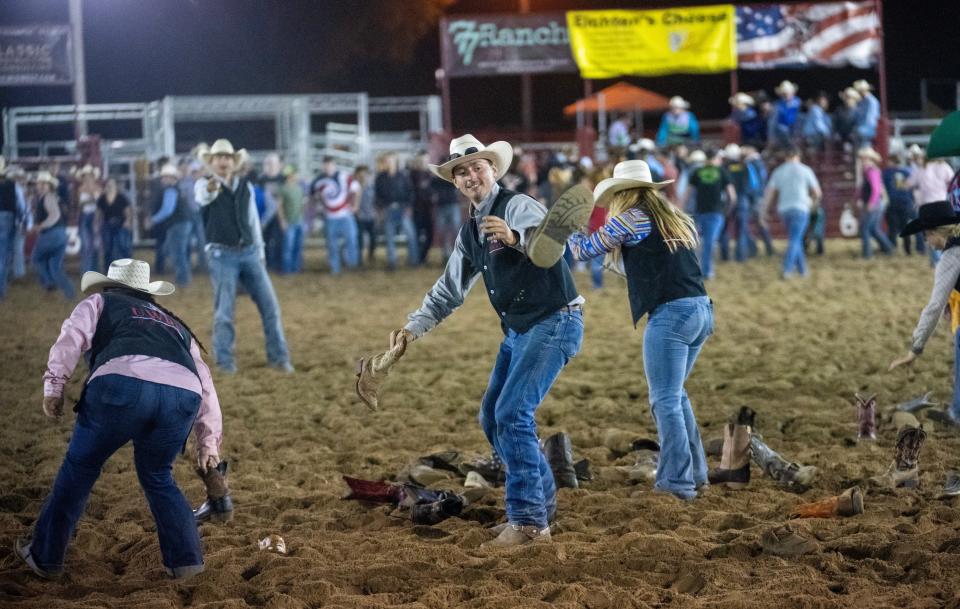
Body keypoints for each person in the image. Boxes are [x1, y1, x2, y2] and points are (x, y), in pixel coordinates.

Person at [394, 134, 584, 548]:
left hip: (554, 319)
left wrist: (517, 239)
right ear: (455, 182)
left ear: (493, 170)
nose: (470, 175)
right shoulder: (470, 233)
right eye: (461, 171)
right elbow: (448, 291)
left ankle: (530, 522)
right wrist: (412, 330)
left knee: (512, 413)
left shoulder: (518, 205)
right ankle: (540, 505)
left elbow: (557, 247)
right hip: (522, 329)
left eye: (476, 167)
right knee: (493, 417)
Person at [16, 258, 222, 581]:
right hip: (182, 396)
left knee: (80, 467)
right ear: (147, 292)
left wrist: (54, 386)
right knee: (158, 475)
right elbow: (206, 384)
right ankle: (186, 562)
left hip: (119, 385)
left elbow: (71, 337)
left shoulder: (100, 302)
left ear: (110, 285)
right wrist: (208, 443)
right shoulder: (177, 326)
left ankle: (45, 556)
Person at [568, 160, 711, 500]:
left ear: (622, 193)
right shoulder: (674, 218)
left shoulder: (632, 218)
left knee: (664, 399)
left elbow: (583, 250)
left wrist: (567, 228)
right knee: (675, 395)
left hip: (671, 315)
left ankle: (676, 484)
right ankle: (696, 473)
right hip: (701, 310)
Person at [194, 139, 293, 374]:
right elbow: (203, 196)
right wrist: (212, 187)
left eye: (227, 157)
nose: (223, 161)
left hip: (249, 252)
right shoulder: (204, 184)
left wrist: (260, 253)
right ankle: (225, 362)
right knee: (224, 312)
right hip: (221, 254)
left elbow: (252, 222)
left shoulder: (245, 187)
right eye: (219, 158)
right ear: (211, 162)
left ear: (233, 162)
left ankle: (279, 358)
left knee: (270, 307)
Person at [889, 202, 960, 429]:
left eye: (926, 237)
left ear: (934, 233)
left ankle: (957, 413)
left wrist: (915, 347)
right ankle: (956, 411)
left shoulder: (951, 258)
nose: (927, 243)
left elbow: (933, 307)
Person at [761, 148, 821, 279]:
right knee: (795, 239)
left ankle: (803, 270)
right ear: (798, 156)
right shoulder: (806, 170)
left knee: (795, 238)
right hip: (801, 208)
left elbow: (769, 193)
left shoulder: (779, 171)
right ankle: (787, 269)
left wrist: (764, 211)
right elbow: (817, 192)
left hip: (784, 209)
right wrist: (813, 204)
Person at [683, 149, 736, 280]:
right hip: (716, 212)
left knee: (698, 242)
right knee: (709, 242)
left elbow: (687, 193)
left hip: (699, 211)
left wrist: (682, 208)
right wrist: (728, 210)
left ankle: (695, 269)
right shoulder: (722, 171)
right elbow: (732, 195)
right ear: (716, 157)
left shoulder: (697, 172)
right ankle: (707, 271)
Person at [30, 171, 76, 299]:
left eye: (44, 183)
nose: (42, 185)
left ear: (49, 186)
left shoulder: (48, 197)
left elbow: (54, 215)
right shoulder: (54, 197)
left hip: (51, 234)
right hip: (60, 234)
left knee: (36, 259)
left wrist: (41, 225)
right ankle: (70, 293)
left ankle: (49, 284)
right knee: (55, 267)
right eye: (41, 183)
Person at [907, 147, 955, 266]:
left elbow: (909, 184)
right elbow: (953, 182)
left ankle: (936, 262)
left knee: (931, 235)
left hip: (926, 206)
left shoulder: (921, 169)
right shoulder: (944, 166)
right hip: (943, 204)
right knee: (944, 234)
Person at [312, 156, 360, 275]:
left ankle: (352, 264)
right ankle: (335, 268)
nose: (328, 167)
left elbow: (357, 189)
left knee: (352, 240)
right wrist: (319, 206)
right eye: (326, 165)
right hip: (330, 217)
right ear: (323, 166)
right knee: (332, 244)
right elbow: (313, 196)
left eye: (330, 164)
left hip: (345, 215)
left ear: (334, 165)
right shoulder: (318, 181)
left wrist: (355, 206)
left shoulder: (344, 176)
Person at [150, 164, 193, 286]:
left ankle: (183, 279)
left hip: (178, 224)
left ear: (171, 178)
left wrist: (154, 219)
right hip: (182, 223)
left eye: (165, 177)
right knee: (178, 251)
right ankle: (183, 278)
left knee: (177, 252)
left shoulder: (170, 190)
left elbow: (167, 210)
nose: (163, 180)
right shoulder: (176, 188)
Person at [375, 152, 418, 270]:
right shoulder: (380, 177)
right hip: (388, 209)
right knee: (389, 237)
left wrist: (409, 207)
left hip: (403, 208)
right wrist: (380, 208)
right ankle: (392, 262)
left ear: (395, 162)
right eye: (387, 160)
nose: (389, 163)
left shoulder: (403, 176)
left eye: (391, 160)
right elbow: (377, 195)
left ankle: (414, 261)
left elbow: (410, 192)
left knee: (411, 235)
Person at [0, 157, 28, 299]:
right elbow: (21, 204)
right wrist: (23, 220)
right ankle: (1, 290)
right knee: (4, 254)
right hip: (7, 217)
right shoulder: (12, 185)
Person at [96, 178, 133, 270]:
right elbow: (98, 213)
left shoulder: (122, 197)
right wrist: (96, 224)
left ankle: (127, 268)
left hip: (120, 224)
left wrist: (128, 221)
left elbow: (128, 211)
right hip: (107, 224)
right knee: (108, 248)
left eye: (112, 184)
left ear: (116, 186)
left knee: (123, 246)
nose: (110, 186)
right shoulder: (102, 198)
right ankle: (108, 269)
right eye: (108, 184)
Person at [883, 154, 916, 254]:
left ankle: (892, 249)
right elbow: (911, 189)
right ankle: (908, 250)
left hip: (892, 202)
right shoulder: (906, 172)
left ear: (892, 161)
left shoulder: (886, 173)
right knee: (905, 227)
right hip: (905, 202)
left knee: (892, 227)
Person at [258, 153, 286, 272]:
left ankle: (278, 264)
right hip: (264, 215)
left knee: (279, 240)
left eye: (273, 163)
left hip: (280, 215)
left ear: (279, 165)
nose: (270, 166)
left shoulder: (283, 179)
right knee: (265, 240)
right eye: (268, 163)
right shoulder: (261, 179)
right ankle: (267, 264)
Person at [73, 165, 102, 275]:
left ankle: (93, 271)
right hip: (85, 217)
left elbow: (101, 205)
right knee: (86, 245)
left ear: (93, 177)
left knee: (95, 245)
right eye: (85, 176)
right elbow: (78, 205)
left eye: (89, 176)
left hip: (95, 217)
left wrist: (88, 201)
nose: (87, 178)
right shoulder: (80, 189)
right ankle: (86, 271)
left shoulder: (98, 188)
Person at [277, 165, 306, 274]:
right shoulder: (283, 188)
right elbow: (279, 206)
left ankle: (295, 268)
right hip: (290, 222)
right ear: (291, 175)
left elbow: (302, 204)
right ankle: (288, 269)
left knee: (296, 246)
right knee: (289, 247)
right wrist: (282, 221)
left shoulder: (299, 188)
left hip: (298, 220)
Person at [410, 152, 436, 264]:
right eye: (421, 161)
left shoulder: (431, 175)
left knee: (430, 236)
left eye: (425, 160)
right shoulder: (411, 175)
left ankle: (422, 257)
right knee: (416, 235)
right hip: (416, 209)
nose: (423, 163)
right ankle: (417, 259)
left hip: (428, 210)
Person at [433, 170, 462, 262]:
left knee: (454, 231)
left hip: (450, 205)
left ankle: (456, 254)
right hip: (445, 206)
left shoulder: (452, 178)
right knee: (446, 231)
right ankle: (447, 255)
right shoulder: (438, 179)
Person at [352, 165, 378, 265]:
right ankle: (359, 260)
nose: (363, 177)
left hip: (371, 216)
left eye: (365, 174)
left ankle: (371, 256)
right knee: (360, 240)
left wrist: (376, 212)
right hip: (360, 217)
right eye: (360, 174)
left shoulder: (372, 187)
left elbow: (376, 201)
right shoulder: (354, 187)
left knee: (373, 239)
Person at [770, 81, 802, 149]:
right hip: (782, 131)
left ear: (792, 93)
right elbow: (773, 121)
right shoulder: (778, 104)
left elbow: (798, 117)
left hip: (795, 128)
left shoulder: (797, 102)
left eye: (788, 93)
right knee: (782, 128)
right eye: (784, 93)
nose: (786, 95)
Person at [852, 80, 881, 149]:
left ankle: (864, 151)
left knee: (859, 133)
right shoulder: (861, 102)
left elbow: (872, 118)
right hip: (862, 127)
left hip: (870, 128)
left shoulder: (872, 101)